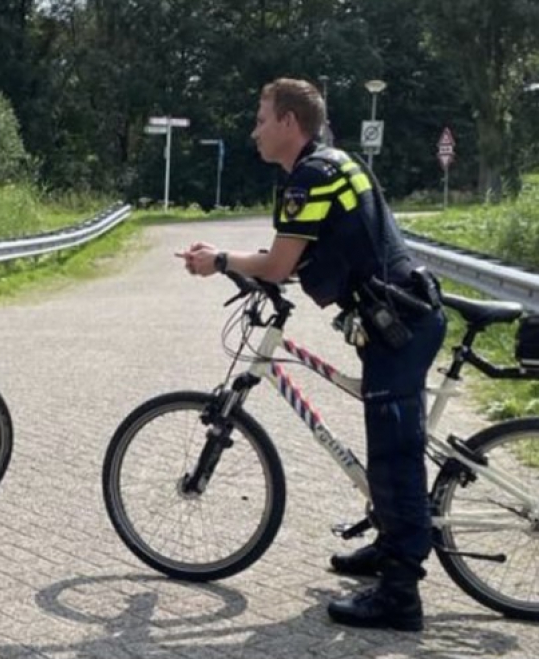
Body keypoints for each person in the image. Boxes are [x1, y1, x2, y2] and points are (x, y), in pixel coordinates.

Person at [177, 78, 446, 632]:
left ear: (290, 123)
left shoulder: (311, 176)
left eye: (261, 117)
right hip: (397, 319)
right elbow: (296, 257)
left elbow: (278, 266)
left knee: (395, 460)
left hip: (398, 326)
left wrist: (220, 260)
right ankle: (387, 545)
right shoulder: (327, 166)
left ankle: (401, 593)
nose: (254, 129)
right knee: (387, 447)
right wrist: (232, 260)